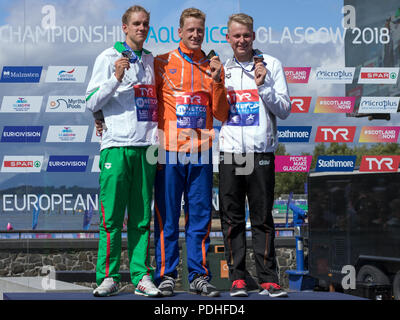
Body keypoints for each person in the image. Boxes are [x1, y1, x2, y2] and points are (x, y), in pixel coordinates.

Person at [153, 7, 230, 297]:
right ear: (180, 32)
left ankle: (198, 275)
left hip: (201, 152)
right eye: (190, 30)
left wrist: (219, 80)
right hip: (169, 151)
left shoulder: (211, 67)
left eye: (200, 30)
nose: (196, 34)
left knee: (199, 217)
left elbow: (221, 113)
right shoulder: (162, 62)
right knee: (168, 217)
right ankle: (166, 275)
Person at [85, 5, 160, 297]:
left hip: (145, 148)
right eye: (136, 24)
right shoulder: (106, 57)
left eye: (145, 24)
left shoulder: (152, 60)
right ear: (124, 27)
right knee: (112, 218)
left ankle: (141, 276)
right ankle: (109, 277)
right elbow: (92, 102)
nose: (141, 28)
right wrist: (115, 77)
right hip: (115, 147)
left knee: (142, 218)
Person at [218, 13, 291, 297]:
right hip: (231, 152)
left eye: (246, 35)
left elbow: (284, 109)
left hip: (261, 152)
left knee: (262, 218)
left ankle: (268, 279)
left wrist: (263, 86)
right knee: (232, 218)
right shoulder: (221, 69)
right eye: (236, 36)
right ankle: (237, 278)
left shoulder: (271, 65)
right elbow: (217, 111)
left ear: (254, 36)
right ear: (228, 38)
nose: (241, 40)